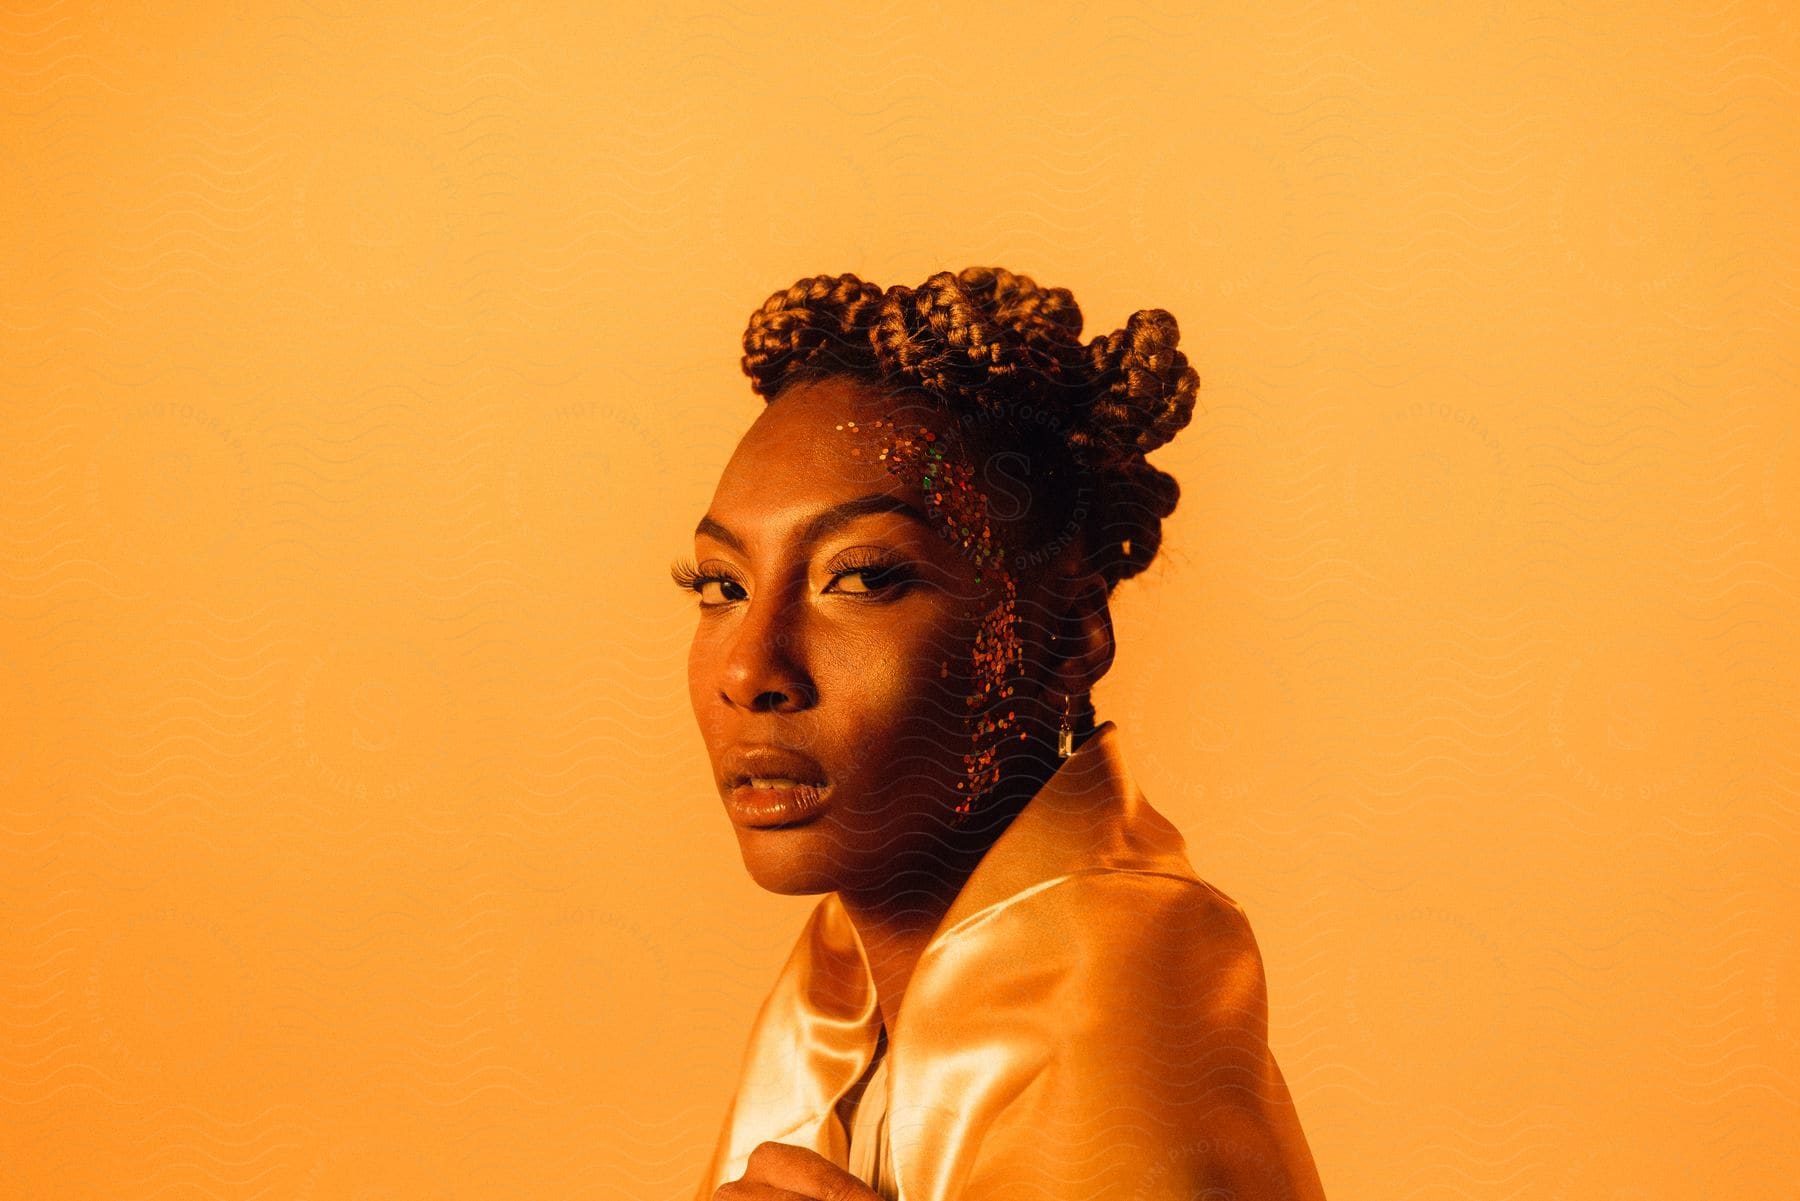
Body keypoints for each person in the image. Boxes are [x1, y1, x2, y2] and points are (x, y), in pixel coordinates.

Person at [677, 267, 1326, 1201]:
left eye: (860, 580)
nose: (750, 670)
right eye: (720, 586)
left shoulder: (1118, 978)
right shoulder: (831, 997)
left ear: (1069, 636)